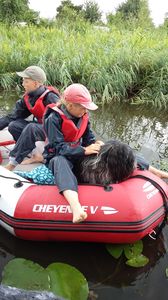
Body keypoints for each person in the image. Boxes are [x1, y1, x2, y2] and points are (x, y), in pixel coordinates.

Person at [43, 83, 104, 223]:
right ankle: (76, 208)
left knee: (107, 149)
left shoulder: (83, 116)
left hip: (76, 154)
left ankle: (155, 171)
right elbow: (58, 148)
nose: (85, 111)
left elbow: (89, 139)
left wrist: (96, 145)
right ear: (70, 105)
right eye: (83, 107)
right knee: (60, 161)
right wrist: (83, 150)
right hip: (57, 157)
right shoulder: (53, 119)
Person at [2, 65, 60, 166]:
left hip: (53, 130)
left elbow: (62, 121)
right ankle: (36, 155)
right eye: (23, 80)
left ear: (36, 83)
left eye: (26, 81)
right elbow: (13, 116)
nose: (23, 84)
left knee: (31, 127)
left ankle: (12, 163)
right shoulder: (28, 98)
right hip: (40, 128)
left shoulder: (51, 97)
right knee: (13, 125)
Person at [74, 139, 168, 185]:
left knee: (130, 155)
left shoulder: (121, 163)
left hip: (110, 161)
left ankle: (158, 173)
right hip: (93, 169)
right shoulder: (96, 173)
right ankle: (158, 173)